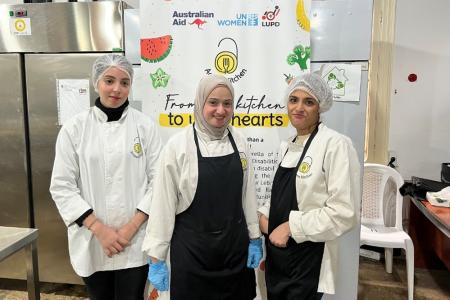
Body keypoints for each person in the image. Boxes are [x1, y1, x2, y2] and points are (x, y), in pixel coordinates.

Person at [50, 54, 162, 300]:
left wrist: (130, 228)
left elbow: (159, 182)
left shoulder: (145, 127)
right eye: (109, 80)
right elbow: (61, 186)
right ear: (96, 82)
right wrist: (100, 229)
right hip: (92, 240)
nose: (116, 89)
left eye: (124, 82)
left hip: (134, 241)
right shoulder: (75, 128)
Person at [142, 74, 263, 299]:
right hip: (193, 256)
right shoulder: (177, 147)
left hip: (234, 253)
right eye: (213, 102)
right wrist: (157, 259)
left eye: (227, 103)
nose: (221, 110)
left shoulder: (240, 141)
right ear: (200, 103)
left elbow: (247, 194)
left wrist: (255, 237)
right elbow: (162, 206)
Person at [258, 73, 360, 300]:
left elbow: (344, 213)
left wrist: (291, 227)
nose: (299, 107)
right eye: (293, 100)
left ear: (320, 107)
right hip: (278, 257)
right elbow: (279, 197)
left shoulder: (336, 145)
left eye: (309, 102)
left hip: (308, 260)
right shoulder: (286, 146)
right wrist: (263, 214)